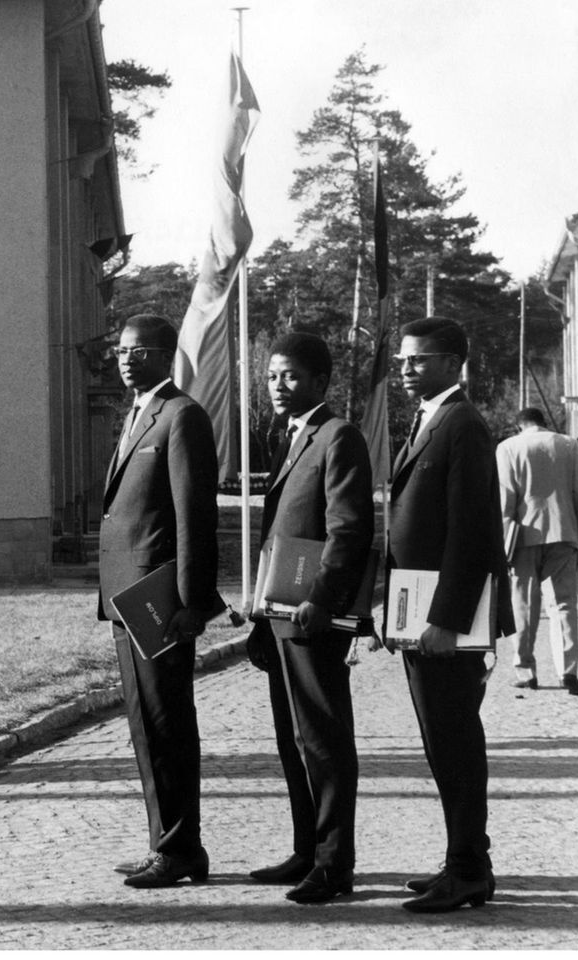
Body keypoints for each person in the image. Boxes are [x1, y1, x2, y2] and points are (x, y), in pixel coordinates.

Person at [384, 316, 513, 914]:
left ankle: (467, 872)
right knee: (443, 743)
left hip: (444, 625)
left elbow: (470, 534)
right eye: (403, 360)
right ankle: (463, 861)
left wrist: (446, 621)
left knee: (456, 742)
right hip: (419, 617)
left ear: (453, 361)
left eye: (419, 360)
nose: (407, 369)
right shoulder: (429, 419)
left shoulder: (462, 424)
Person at [246, 332, 374, 905]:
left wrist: (322, 600)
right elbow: (281, 535)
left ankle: (333, 865)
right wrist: (258, 619)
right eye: (273, 375)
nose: (279, 385)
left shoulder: (338, 436)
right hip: (279, 616)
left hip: (312, 617)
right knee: (293, 739)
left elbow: (348, 529)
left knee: (323, 741)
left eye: (292, 376)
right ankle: (305, 850)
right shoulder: (291, 437)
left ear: (321, 381)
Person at [97, 313, 220, 889]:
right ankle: (166, 843)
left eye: (138, 350)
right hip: (127, 598)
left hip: (160, 601)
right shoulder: (139, 414)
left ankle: (180, 848)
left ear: (167, 354)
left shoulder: (182, 416)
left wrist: (192, 602)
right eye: (120, 350)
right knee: (145, 725)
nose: (125, 359)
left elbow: (194, 516)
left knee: (168, 721)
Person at [496, 408, 578, 696]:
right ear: (543, 423)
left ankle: (526, 671)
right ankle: (567, 672)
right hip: (563, 532)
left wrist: (503, 539)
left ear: (518, 425)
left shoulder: (508, 447)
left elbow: (505, 498)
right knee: (563, 603)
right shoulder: (568, 444)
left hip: (522, 535)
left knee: (523, 604)